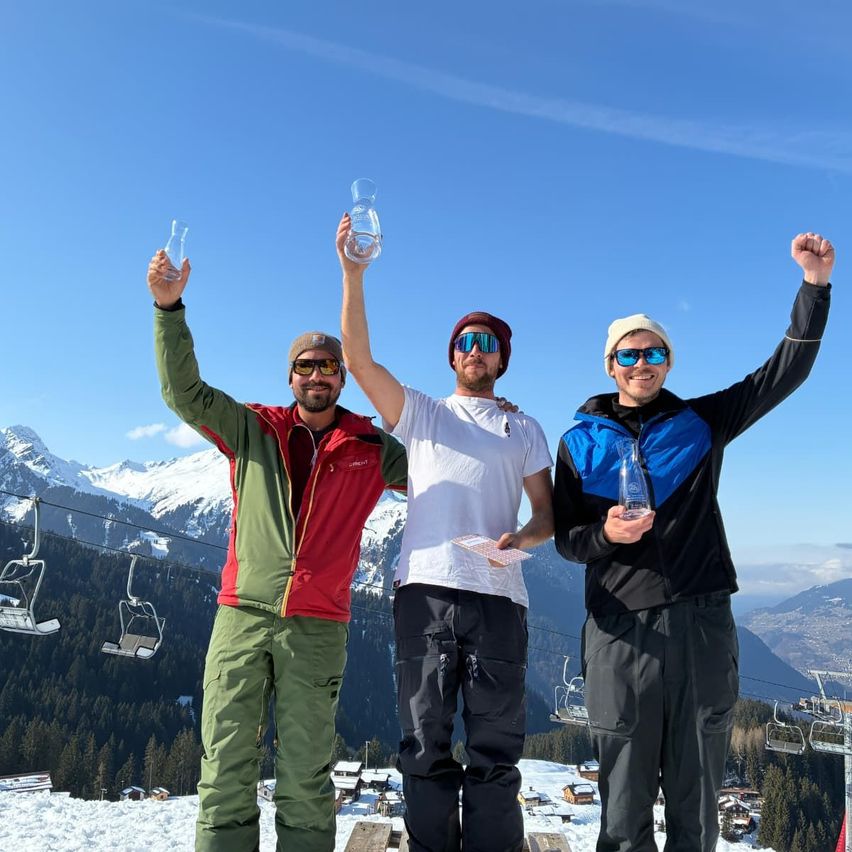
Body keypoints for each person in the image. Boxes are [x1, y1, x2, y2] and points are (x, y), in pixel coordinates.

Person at [553, 232, 834, 851]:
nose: (641, 363)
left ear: (668, 362)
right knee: (622, 815)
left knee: (695, 809)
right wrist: (605, 532)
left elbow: (782, 374)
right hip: (620, 631)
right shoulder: (577, 444)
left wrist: (814, 288)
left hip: (702, 626)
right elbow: (567, 541)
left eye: (653, 352)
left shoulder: (702, 423)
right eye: (628, 355)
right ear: (610, 366)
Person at [146, 248, 407, 852]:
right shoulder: (252, 428)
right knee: (226, 767)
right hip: (242, 615)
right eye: (305, 366)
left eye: (328, 368)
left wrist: (485, 422)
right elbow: (183, 393)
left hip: (317, 628)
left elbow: (439, 468)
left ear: (341, 378)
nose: (317, 376)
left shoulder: (371, 445)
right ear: (290, 376)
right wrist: (168, 308)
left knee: (306, 777)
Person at [337, 212, 555, 852]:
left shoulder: (526, 429)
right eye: (466, 341)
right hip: (426, 593)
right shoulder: (423, 414)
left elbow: (546, 514)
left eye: (487, 343)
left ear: (501, 360)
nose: (476, 350)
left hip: (500, 597)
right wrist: (354, 273)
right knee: (423, 741)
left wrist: (523, 541)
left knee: (495, 749)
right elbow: (357, 358)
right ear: (453, 355)